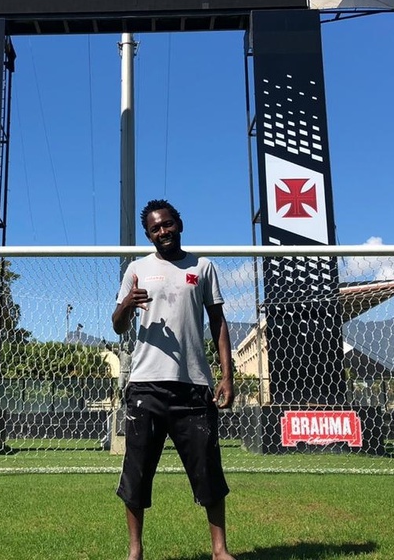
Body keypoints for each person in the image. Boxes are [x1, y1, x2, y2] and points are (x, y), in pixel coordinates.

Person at [112, 199, 236, 560]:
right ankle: (135, 552)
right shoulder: (137, 269)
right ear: (148, 234)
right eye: (155, 228)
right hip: (145, 386)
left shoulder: (203, 267)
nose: (162, 231)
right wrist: (126, 306)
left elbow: (218, 323)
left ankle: (220, 550)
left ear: (179, 224)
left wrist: (226, 376)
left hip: (193, 386)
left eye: (167, 224)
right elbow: (118, 325)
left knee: (208, 469)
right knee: (136, 473)